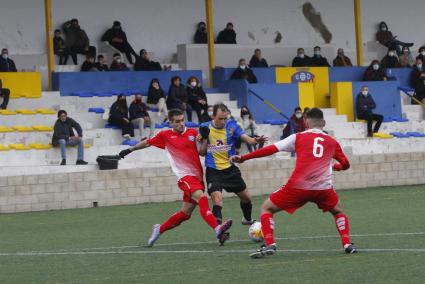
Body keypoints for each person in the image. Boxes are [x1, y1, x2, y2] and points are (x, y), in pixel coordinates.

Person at [230, 108, 357, 258]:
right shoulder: (332, 142)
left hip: (298, 187)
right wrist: (337, 167)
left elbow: (271, 149)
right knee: (338, 212)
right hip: (323, 189)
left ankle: (270, 243)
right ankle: (347, 244)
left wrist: (244, 158)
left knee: (266, 208)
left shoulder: (298, 137)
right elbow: (346, 163)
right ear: (323, 123)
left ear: (305, 122)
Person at [118, 109, 233, 247]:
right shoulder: (165, 135)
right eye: (177, 121)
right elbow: (147, 143)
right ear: (171, 122)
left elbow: (201, 153)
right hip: (185, 177)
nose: (181, 123)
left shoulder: (192, 133)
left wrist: (205, 139)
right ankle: (217, 229)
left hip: (197, 177)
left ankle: (159, 229)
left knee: (185, 214)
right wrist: (129, 150)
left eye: (182, 120)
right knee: (202, 198)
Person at [199, 103, 267, 226]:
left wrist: (255, 140)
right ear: (213, 116)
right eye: (220, 118)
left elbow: (248, 139)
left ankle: (247, 219)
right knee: (217, 200)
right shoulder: (204, 127)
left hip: (230, 169)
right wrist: (204, 138)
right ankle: (218, 230)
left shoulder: (232, 126)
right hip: (213, 171)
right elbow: (202, 153)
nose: (223, 121)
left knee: (246, 198)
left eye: (225, 118)